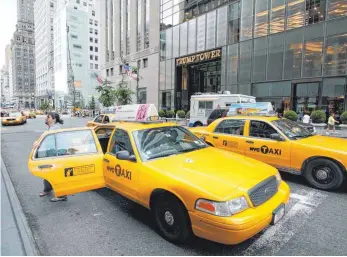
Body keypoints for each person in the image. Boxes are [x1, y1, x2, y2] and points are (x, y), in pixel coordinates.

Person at [32, 112, 67, 202]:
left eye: (49, 117)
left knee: (56, 175)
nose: (47, 118)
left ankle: (62, 195)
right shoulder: (52, 128)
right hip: (52, 154)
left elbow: (47, 140)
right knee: (48, 173)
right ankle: (47, 189)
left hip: (56, 155)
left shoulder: (54, 129)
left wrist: (38, 143)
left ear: (54, 119)